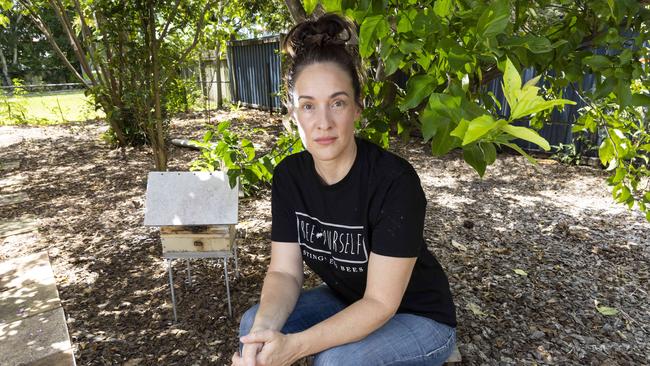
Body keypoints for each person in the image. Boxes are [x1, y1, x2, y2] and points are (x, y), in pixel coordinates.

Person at [231, 12, 456, 366]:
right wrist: (262, 337)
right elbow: (284, 272)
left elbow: (381, 303)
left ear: (357, 108)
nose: (323, 122)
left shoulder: (394, 182)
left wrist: (296, 346)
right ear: (293, 114)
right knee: (251, 328)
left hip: (419, 317)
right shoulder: (290, 177)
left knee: (337, 361)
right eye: (308, 106)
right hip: (349, 298)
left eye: (337, 102)